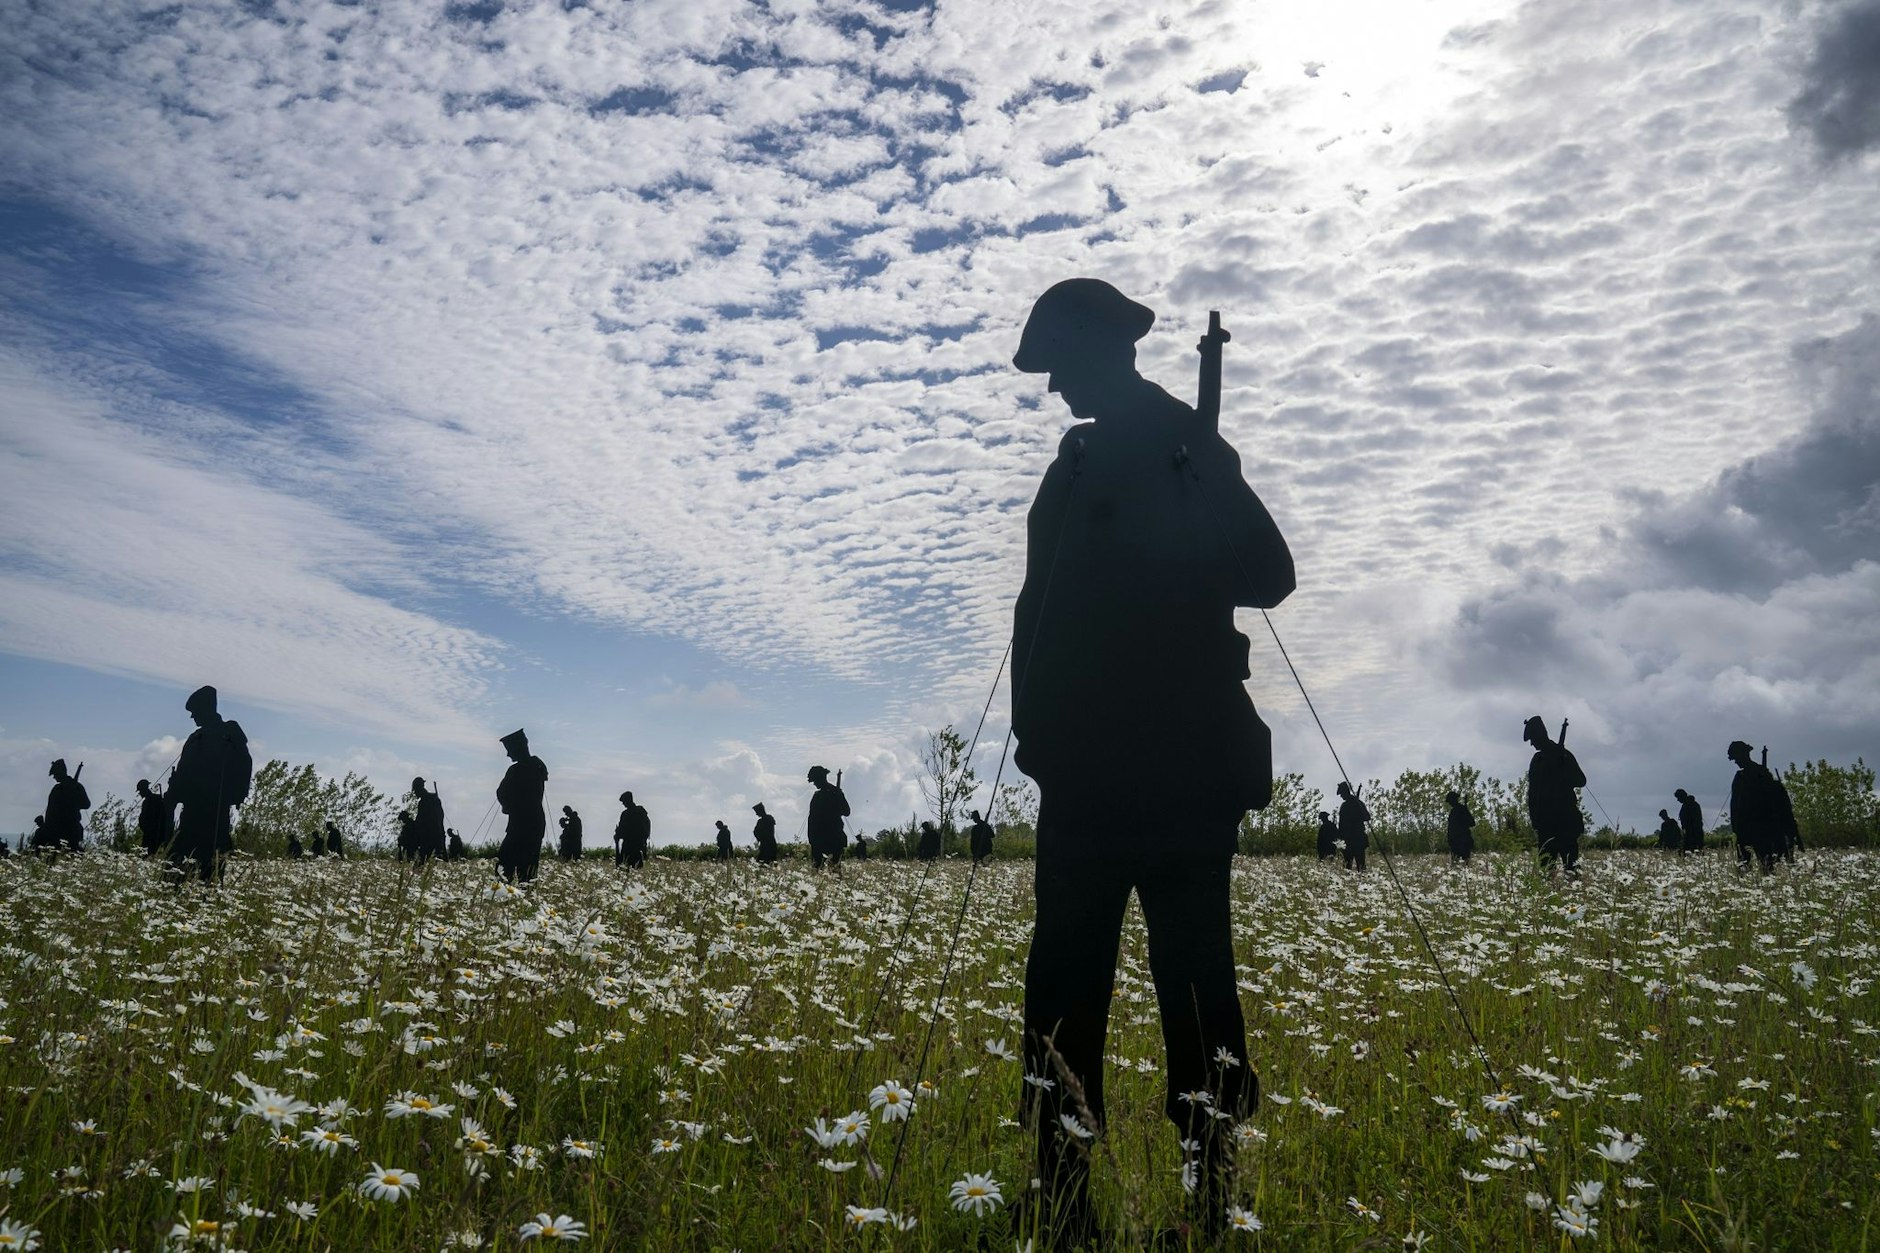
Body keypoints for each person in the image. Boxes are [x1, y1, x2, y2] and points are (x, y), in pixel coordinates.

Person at [1009, 280, 1293, 1243]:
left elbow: (1269, 574)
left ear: (1104, 353)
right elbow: (1035, 608)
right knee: (1065, 987)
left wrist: (1201, 490)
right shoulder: (1079, 459)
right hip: (1091, 772)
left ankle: (1208, 1197)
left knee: (1193, 983)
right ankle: (1061, 1193)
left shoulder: (1184, 443)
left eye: (1059, 367)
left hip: (1173, 769)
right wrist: (1037, 741)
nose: (1052, 390)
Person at [167, 686, 252, 884]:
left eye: (195, 712)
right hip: (191, 812)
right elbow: (183, 771)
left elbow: (244, 764)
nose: (193, 717)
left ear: (206, 709)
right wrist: (174, 791)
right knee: (174, 868)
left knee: (210, 871)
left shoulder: (229, 734)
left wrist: (236, 794)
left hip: (215, 813)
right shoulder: (195, 739)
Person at [1524, 716, 1586, 875]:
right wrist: (1535, 820)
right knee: (1546, 871)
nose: (1532, 743)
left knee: (1571, 870)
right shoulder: (1537, 760)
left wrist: (1563, 771)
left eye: (1533, 738)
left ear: (1540, 735)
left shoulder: (1563, 755)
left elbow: (1580, 780)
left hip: (1565, 822)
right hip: (1545, 825)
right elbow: (1532, 793)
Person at [1727, 741, 1797, 873]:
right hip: (1746, 827)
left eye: (1737, 758)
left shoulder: (1759, 774)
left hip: (1760, 827)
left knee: (1765, 864)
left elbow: (1772, 800)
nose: (1736, 762)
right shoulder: (1745, 776)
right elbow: (1735, 805)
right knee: (1745, 864)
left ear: (1744, 755)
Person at [495, 729, 548, 883]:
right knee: (521, 867)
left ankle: (511, 899)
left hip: (523, 824)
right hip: (529, 823)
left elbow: (503, 792)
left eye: (509, 750)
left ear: (519, 747)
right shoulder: (536, 766)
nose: (508, 755)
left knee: (512, 867)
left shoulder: (521, 769)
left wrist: (508, 805)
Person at [41, 759, 90, 852]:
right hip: (56, 831)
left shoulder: (76, 787)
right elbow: (50, 811)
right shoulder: (57, 789)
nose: (54, 777)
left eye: (55, 774)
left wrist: (74, 799)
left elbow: (86, 804)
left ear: (61, 772)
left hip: (71, 829)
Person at [806, 766, 848, 871]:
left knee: (830, 870)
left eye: (815, 781)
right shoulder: (821, 795)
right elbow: (812, 819)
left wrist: (838, 801)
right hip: (822, 839)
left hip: (831, 838)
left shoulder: (834, 793)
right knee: (825, 871)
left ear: (821, 779)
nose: (814, 784)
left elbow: (846, 811)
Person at [1336, 781, 1370, 870]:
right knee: (1350, 865)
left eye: (1341, 794)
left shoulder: (1350, 805)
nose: (1341, 796)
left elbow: (1367, 817)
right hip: (1352, 840)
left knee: (1357, 865)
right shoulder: (1354, 804)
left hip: (1355, 839)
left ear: (1345, 792)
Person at [413, 779, 447, 862]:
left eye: (415, 790)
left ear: (419, 788)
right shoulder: (432, 798)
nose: (415, 793)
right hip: (436, 836)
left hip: (429, 837)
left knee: (422, 865)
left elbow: (421, 820)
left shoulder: (425, 801)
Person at [136, 778, 172, 857]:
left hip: (153, 835)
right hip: (149, 834)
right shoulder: (152, 800)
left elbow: (160, 817)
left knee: (148, 855)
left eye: (140, 791)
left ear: (144, 789)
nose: (140, 793)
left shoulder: (155, 800)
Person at [616, 791, 651, 869]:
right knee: (635, 868)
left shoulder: (626, 814)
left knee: (627, 867)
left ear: (628, 800)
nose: (623, 804)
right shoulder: (640, 812)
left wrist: (618, 834)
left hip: (630, 846)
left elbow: (622, 831)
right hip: (637, 845)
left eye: (624, 801)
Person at [1446, 790, 1476, 863]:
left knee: (1464, 864)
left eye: (1450, 800)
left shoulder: (1461, 809)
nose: (1450, 803)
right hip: (1455, 842)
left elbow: (1472, 823)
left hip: (1463, 842)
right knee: (1456, 865)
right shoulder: (1455, 811)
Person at [1675, 789, 1704, 855]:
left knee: (1692, 852)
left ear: (1682, 796)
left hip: (1692, 833)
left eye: (1678, 798)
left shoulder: (1690, 805)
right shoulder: (1692, 804)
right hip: (1691, 832)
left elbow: (1694, 820)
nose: (1678, 800)